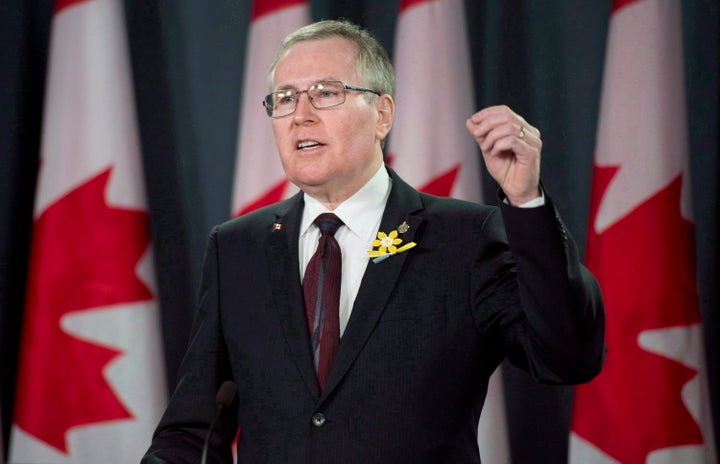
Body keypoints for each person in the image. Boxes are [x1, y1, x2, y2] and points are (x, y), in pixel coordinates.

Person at [142, 19, 605, 464]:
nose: (300, 116)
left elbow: (566, 357)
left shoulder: (463, 239)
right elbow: (193, 430)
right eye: (284, 99)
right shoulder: (237, 248)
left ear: (382, 114)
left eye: (326, 93)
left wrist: (525, 202)